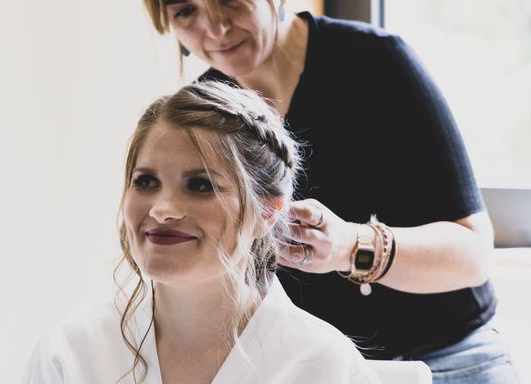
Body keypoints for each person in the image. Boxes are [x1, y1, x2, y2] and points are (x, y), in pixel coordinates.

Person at [135, 0, 520, 382]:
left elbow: (472, 257)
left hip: (448, 361)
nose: (214, 29)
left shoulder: (376, 65)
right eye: (186, 11)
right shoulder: (206, 115)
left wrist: (348, 247)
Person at [21, 81, 380, 383]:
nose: (162, 210)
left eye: (200, 185)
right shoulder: (69, 355)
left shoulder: (322, 366)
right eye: (146, 181)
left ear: (267, 212)